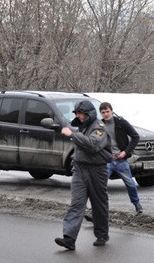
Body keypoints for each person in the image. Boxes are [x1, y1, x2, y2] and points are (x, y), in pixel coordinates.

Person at [55, 100, 111, 250]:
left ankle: (102, 234)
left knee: (99, 204)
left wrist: (72, 134)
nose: (78, 116)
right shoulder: (82, 127)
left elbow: (93, 145)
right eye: (77, 114)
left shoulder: (99, 128)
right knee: (77, 203)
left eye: (80, 113)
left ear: (89, 114)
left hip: (97, 170)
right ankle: (69, 238)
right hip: (80, 169)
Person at [99, 102, 143, 213]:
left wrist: (126, 152)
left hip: (121, 160)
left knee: (130, 184)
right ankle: (100, 210)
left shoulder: (120, 123)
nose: (106, 114)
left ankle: (137, 204)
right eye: (103, 112)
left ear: (112, 111)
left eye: (107, 111)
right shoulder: (100, 125)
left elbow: (135, 137)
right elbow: (96, 141)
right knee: (100, 185)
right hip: (107, 160)